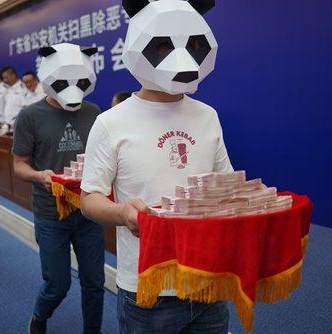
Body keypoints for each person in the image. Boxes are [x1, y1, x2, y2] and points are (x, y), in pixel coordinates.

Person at [81, 1, 231, 333]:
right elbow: (89, 198)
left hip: (208, 274)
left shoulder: (207, 116)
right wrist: (123, 214)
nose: (183, 58)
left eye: (193, 46)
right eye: (163, 47)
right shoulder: (110, 122)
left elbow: (225, 184)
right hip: (149, 285)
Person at [13, 43, 104, 334]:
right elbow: (19, 165)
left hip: (89, 211)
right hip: (50, 213)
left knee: (94, 282)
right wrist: (40, 176)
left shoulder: (93, 112)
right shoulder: (29, 116)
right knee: (58, 284)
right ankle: (40, 316)